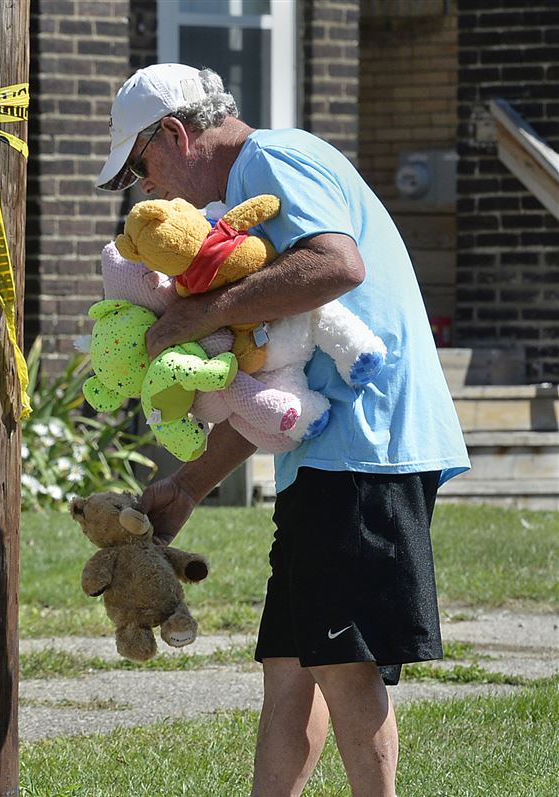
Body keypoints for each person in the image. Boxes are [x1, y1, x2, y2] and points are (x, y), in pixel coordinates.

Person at [96, 64, 470, 797]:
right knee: (293, 664)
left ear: (174, 134)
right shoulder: (241, 210)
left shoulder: (271, 158)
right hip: (331, 451)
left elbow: (337, 265)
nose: (145, 191)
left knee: (340, 659)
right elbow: (276, 389)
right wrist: (188, 485)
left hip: (366, 446)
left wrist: (200, 314)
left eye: (140, 167)